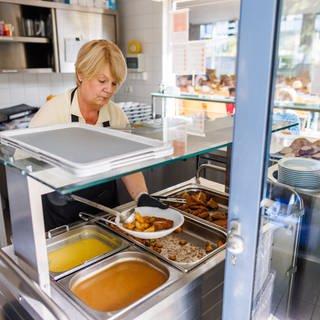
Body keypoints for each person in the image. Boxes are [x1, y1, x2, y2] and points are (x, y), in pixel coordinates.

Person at [29, 39, 165, 231]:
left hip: (104, 207)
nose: (109, 89)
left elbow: (128, 163)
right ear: (80, 74)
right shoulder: (52, 114)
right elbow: (24, 173)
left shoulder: (116, 115)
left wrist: (142, 196)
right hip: (61, 212)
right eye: (102, 81)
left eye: (114, 83)